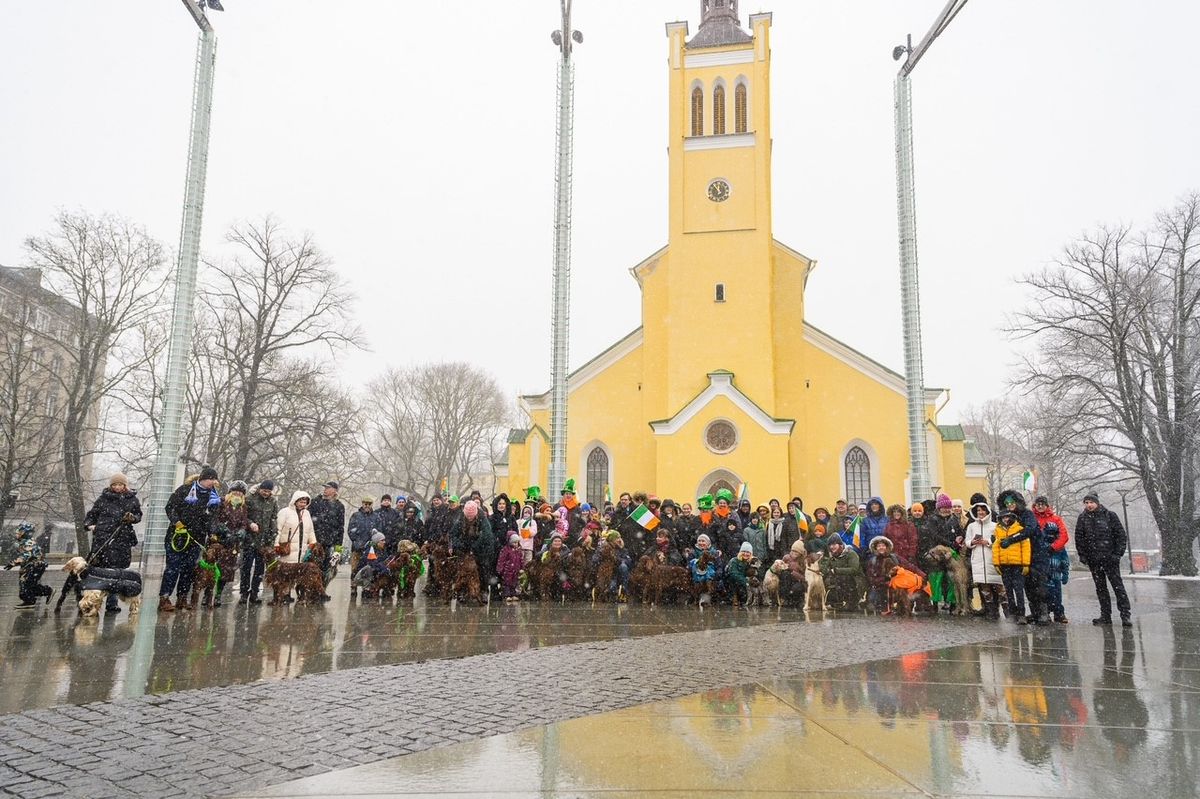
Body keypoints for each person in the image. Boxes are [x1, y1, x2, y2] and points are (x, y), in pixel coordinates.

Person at [160, 466, 221, 612]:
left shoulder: (213, 497)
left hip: (196, 539)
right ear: (202, 479)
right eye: (210, 479)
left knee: (188, 569)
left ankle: (182, 597)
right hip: (177, 537)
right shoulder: (184, 490)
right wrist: (177, 522)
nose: (212, 482)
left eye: (214, 480)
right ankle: (165, 598)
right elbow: (170, 507)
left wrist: (212, 532)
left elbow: (212, 517)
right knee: (172, 568)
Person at [83, 473, 143, 613]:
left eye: (119, 484)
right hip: (103, 538)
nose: (117, 487)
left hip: (122, 539)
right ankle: (94, 601)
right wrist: (89, 525)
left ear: (124, 485)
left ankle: (112, 602)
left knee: (117, 572)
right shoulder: (103, 499)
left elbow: (138, 515)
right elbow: (92, 515)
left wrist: (132, 518)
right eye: (114, 485)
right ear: (110, 486)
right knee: (100, 569)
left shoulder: (132, 499)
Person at [1075, 492, 1132, 627]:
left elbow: (1121, 536)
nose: (1089, 505)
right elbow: (1079, 538)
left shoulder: (1110, 515)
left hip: (1110, 559)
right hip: (1093, 560)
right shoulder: (1082, 518)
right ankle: (1105, 616)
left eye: (1091, 502)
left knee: (1118, 587)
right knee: (1100, 588)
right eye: (1086, 502)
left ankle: (1125, 615)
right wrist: (1083, 555)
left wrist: (1117, 554)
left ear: (1097, 503)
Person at [1032, 496, 1071, 623]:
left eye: (1043, 504)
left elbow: (1063, 536)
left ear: (1047, 505)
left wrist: (1053, 547)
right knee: (1041, 586)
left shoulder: (1055, 519)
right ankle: (1045, 611)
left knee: (1056, 586)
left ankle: (1059, 612)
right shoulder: (1032, 518)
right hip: (1038, 557)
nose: (1040, 506)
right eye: (1038, 504)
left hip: (1054, 556)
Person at [213, 481, 250, 605]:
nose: (237, 493)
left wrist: (242, 530)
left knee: (226, 571)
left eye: (240, 492)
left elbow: (244, 522)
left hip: (233, 543)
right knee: (214, 568)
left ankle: (218, 594)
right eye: (235, 490)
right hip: (219, 542)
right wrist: (222, 529)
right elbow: (215, 519)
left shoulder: (243, 506)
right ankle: (209, 594)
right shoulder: (222, 502)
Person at [964, 500, 1002, 619]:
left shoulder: (995, 525)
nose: (980, 512)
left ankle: (1003, 610)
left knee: (998, 587)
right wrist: (973, 542)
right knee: (984, 587)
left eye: (982, 510)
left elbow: (998, 539)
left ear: (987, 511)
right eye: (978, 510)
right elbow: (967, 541)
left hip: (991, 558)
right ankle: (990, 610)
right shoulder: (971, 526)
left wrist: (988, 542)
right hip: (978, 559)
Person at [242, 480, 278, 605]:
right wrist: (250, 523)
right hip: (250, 539)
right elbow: (243, 516)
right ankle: (244, 593)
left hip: (264, 542)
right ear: (260, 489)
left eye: (268, 491)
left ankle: (254, 593)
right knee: (246, 567)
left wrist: (272, 538)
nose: (266, 493)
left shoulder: (273, 501)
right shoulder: (250, 498)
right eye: (264, 490)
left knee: (259, 570)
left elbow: (273, 519)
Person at [993, 507, 1031, 624]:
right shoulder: (998, 531)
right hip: (1005, 565)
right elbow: (996, 548)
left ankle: (1021, 614)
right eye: (1003, 517)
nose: (1006, 519)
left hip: (1017, 565)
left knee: (1019, 590)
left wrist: (1026, 564)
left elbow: (1026, 548)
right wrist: (996, 563)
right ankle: (1012, 613)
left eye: (1007, 517)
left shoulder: (1019, 529)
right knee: (1008, 591)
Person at [6, 523, 52, 608]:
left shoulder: (28, 542)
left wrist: (14, 563)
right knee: (28, 584)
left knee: (27, 584)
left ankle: (32, 599)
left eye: (19, 532)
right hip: (30, 566)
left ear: (24, 533)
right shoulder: (25, 542)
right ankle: (33, 598)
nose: (17, 534)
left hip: (35, 566)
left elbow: (27, 555)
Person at [309, 481, 345, 576]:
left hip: (329, 544)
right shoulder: (315, 502)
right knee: (311, 568)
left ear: (334, 491)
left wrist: (338, 549)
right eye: (325, 487)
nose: (325, 489)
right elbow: (308, 521)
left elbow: (340, 528)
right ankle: (311, 590)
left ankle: (321, 589)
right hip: (314, 542)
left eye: (328, 488)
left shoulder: (339, 506)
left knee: (325, 570)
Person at [821, 537, 866, 609]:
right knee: (828, 580)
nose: (832, 547)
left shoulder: (851, 554)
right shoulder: (832, 557)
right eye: (830, 545)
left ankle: (852, 601)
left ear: (840, 545)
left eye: (834, 544)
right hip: (840, 581)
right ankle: (837, 601)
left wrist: (837, 570)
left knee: (843, 578)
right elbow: (824, 571)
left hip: (856, 581)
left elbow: (854, 570)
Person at [276, 490, 317, 566]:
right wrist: (276, 544)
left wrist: (313, 543)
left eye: (305, 503)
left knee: (299, 572)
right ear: (295, 501)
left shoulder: (306, 514)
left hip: (302, 548)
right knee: (286, 570)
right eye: (301, 502)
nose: (303, 504)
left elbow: (311, 531)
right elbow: (278, 529)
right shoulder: (284, 512)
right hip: (287, 548)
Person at [347, 497, 377, 599]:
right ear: (362, 504)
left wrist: (372, 543)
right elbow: (351, 531)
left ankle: (366, 588)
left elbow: (378, 531)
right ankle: (353, 587)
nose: (367, 506)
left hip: (370, 549)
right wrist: (358, 543)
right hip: (357, 548)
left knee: (368, 569)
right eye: (365, 504)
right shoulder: (356, 516)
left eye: (369, 504)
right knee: (355, 568)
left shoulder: (375, 517)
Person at [724, 542, 755, 606]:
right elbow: (733, 574)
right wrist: (746, 582)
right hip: (732, 584)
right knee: (733, 580)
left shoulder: (752, 562)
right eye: (744, 551)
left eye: (748, 552)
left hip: (744, 585)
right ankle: (733, 597)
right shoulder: (734, 561)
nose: (746, 554)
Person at [497, 533, 524, 602]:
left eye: (517, 542)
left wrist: (521, 568)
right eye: (514, 542)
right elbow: (501, 560)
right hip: (507, 570)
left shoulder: (518, 551)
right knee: (506, 583)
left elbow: (521, 560)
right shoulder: (506, 550)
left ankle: (513, 594)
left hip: (515, 570)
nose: (516, 544)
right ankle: (506, 595)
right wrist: (500, 569)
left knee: (514, 582)